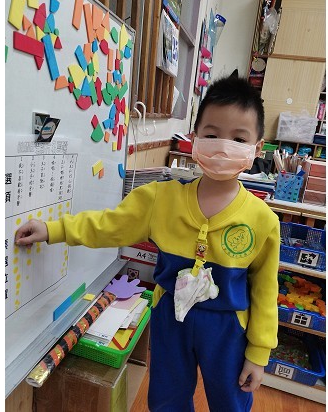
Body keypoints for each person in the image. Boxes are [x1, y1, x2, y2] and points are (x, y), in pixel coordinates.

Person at [15, 75, 280, 411]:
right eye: (212, 135)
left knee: (231, 402)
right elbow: (107, 225)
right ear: (194, 138)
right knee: (167, 399)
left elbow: (265, 291)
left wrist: (258, 353)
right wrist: (53, 230)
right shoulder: (160, 199)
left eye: (238, 138)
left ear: (257, 148)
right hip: (170, 318)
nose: (223, 147)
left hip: (227, 328)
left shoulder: (263, 220)